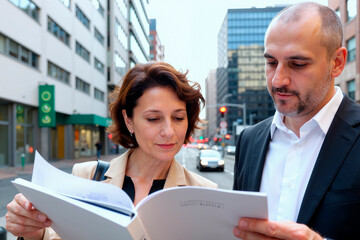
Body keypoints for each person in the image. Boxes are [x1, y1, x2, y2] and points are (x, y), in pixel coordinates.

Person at [6, 62, 217, 240]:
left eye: (178, 118)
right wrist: (33, 231)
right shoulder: (87, 176)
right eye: (154, 119)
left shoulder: (205, 193)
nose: (169, 131)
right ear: (128, 120)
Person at [232, 2, 360, 239]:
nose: (278, 80)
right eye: (271, 63)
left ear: (337, 63)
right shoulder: (249, 141)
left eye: (297, 64)